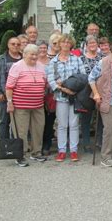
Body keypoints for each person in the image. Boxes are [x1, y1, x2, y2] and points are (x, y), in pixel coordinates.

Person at [46, 34, 87, 162]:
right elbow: (51, 81)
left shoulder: (77, 59)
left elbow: (83, 77)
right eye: (63, 42)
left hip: (75, 97)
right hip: (61, 97)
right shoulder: (53, 62)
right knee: (62, 125)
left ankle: (74, 150)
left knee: (74, 124)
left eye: (68, 42)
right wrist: (64, 88)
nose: (65, 44)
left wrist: (72, 89)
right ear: (59, 44)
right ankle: (62, 151)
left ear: (71, 45)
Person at [5, 44, 47, 167]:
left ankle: (36, 152)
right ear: (24, 55)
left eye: (36, 54)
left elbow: (44, 84)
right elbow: (9, 86)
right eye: (31, 54)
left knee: (38, 129)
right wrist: (9, 102)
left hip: (38, 105)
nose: (34, 56)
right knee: (21, 131)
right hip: (20, 105)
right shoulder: (17, 66)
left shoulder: (41, 66)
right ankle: (20, 155)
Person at [88, 41, 112, 167]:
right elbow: (91, 78)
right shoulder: (103, 62)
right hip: (106, 100)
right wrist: (96, 94)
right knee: (109, 129)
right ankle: (105, 157)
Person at [0, 36, 22, 140]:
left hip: (21, 96)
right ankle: (4, 144)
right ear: (8, 45)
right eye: (13, 44)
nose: (15, 46)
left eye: (18, 44)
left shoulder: (24, 59)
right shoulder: (0, 60)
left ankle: (15, 144)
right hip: (5, 95)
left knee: (17, 122)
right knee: (5, 121)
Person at [79, 35, 103, 153]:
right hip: (86, 91)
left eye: (94, 43)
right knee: (86, 118)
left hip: (100, 90)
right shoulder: (81, 59)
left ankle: (99, 142)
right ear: (86, 45)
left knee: (101, 118)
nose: (92, 45)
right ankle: (86, 143)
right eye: (90, 43)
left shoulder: (102, 58)